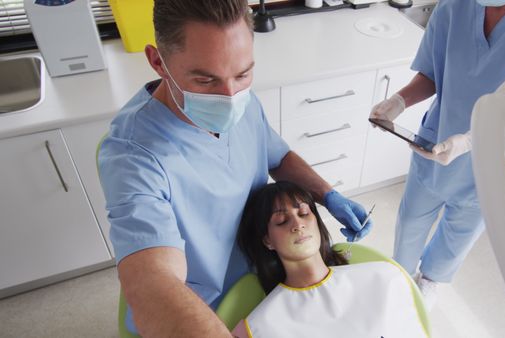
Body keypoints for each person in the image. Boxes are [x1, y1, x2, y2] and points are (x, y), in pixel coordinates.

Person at [98, 1, 371, 336]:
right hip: (203, 307)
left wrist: (328, 195)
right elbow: (154, 284)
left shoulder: (243, 101)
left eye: (242, 74)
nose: (229, 96)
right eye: (205, 80)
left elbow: (277, 157)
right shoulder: (133, 156)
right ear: (158, 62)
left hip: (262, 269)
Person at [370, 0, 505, 309]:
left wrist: (472, 141)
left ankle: (430, 280)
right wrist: (398, 102)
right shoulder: (454, 7)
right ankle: (401, 273)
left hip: (499, 160)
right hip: (439, 137)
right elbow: (433, 71)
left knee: (459, 232)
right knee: (412, 217)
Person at [231, 181, 428, 338]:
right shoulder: (260, 325)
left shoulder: (385, 277)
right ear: (268, 240)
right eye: (282, 221)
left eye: (304, 213)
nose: (298, 224)